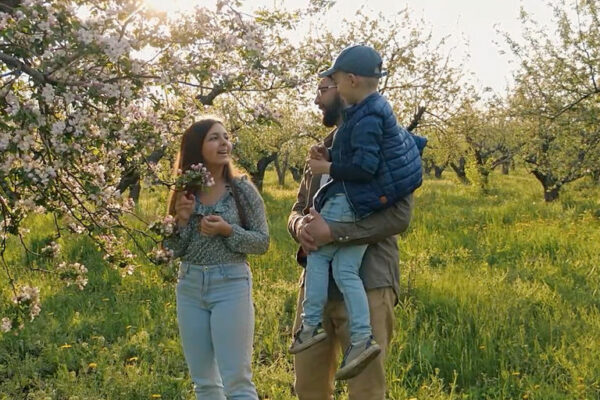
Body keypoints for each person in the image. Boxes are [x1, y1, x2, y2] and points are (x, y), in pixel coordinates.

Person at [289, 44, 424, 381]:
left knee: (366, 391)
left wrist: (333, 232)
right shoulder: (325, 150)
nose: (317, 99)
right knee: (307, 388)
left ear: (346, 85)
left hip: (368, 285)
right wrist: (300, 226)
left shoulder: (385, 146)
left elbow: (398, 218)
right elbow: (297, 207)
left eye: (324, 88)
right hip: (315, 293)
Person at [164, 118, 269, 400]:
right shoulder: (185, 192)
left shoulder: (243, 191)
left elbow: (262, 242)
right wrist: (182, 220)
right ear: (197, 147)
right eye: (214, 138)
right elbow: (170, 251)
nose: (224, 143)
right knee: (204, 383)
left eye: (226, 137)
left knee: (238, 382)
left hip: (231, 283)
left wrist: (227, 230)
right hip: (190, 286)